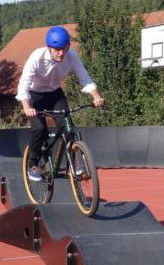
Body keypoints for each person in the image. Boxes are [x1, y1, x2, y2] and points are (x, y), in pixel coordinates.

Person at [16, 26, 105, 181]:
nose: (61, 53)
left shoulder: (71, 56)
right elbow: (24, 83)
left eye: (64, 49)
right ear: (49, 48)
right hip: (35, 95)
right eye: (57, 50)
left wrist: (96, 96)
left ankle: (74, 165)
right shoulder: (37, 57)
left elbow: (83, 76)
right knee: (40, 129)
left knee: (67, 126)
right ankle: (33, 164)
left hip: (55, 94)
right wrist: (26, 106)